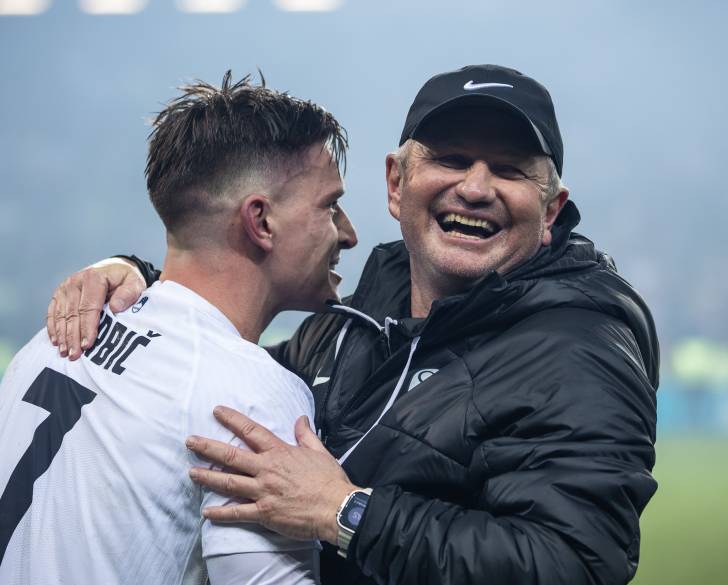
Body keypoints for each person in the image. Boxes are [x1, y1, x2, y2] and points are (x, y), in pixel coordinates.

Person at [50, 64, 659, 584]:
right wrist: (140, 278)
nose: (475, 187)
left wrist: (346, 513)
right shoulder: (361, 314)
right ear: (396, 183)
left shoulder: (579, 347)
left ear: (551, 211)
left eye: (509, 170)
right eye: (451, 159)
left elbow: (577, 562)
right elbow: (231, 377)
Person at [0, 72, 357, 585]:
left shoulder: (57, 338)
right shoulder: (251, 394)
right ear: (261, 221)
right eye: (329, 206)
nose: (348, 233)